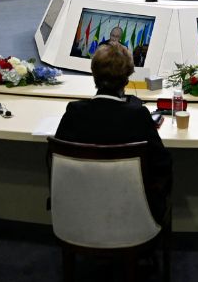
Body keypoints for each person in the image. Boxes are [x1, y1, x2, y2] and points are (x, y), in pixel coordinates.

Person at [54, 42, 172, 217]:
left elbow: (59, 160)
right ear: (127, 78)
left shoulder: (74, 111)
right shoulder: (138, 115)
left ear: (94, 74)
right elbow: (162, 164)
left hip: (78, 212)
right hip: (133, 213)